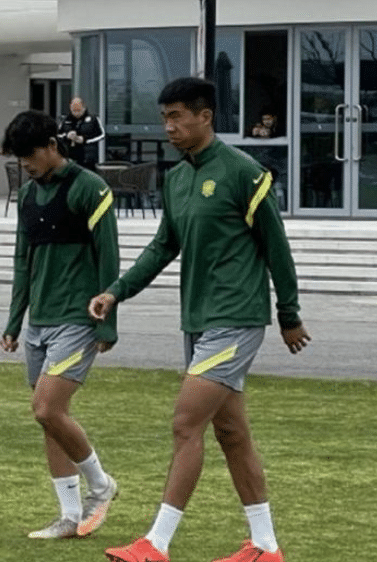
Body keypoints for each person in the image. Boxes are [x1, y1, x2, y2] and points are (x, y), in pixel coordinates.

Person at [89, 78, 311, 562]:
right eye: (164, 118)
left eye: (176, 117)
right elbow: (162, 247)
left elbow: (277, 249)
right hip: (197, 321)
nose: (168, 127)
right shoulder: (177, 179)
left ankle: (156, 543)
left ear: (205, 117)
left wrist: (289, 315)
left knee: (185, 424)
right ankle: (265, 546)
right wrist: (116, 292)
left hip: (236, 318)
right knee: (232, 434)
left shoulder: (244, 172)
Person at [0, 110, 119, 539]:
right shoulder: (27, 196)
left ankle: (101, 485)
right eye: (19, 159)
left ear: (52, 145)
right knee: (50, 418)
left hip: (78, 319)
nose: (25, 165)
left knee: (47, 407)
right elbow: (22, 260)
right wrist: (14, 320)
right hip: (39, 321)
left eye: (29, 155)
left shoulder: (90, 188)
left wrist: (107, 324)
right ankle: (69, 516)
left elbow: (109, 256)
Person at [57, 97, 105, 171]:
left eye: (78, 110)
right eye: (74, 111)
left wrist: (85, 139)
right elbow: (58, 135)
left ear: (84, 108)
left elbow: (102, 135)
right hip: (70, 157)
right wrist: (67, 136)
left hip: (88, 158)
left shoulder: (93, 119)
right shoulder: (65, 121)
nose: (76, 113)